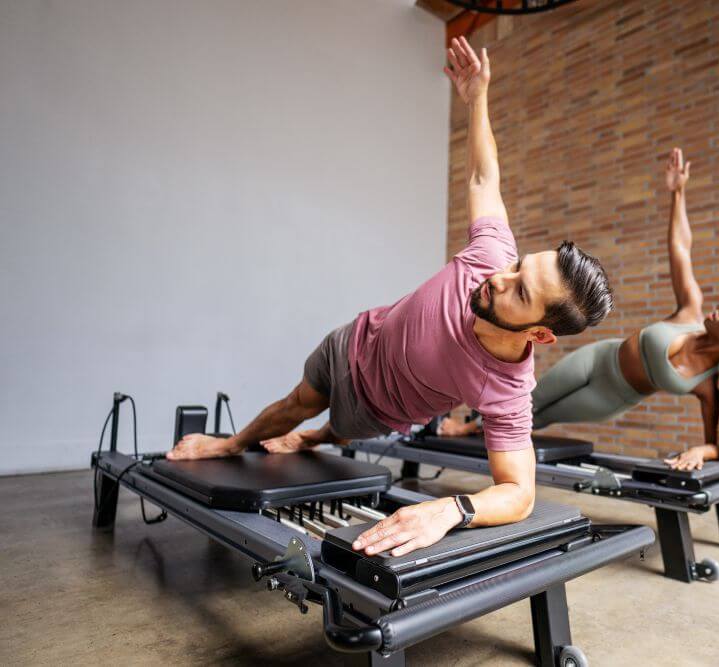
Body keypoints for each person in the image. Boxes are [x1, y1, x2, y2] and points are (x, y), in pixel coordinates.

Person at [166, 37, 613, 557]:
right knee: (295, 403)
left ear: (539, 332)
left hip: (372, 409)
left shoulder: (508, 388)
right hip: (352, 340)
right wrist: (477, 98)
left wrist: (452, 509)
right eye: (517, 265)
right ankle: (231, 443)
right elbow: (483, 175)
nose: (499, 278)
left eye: (520, 291)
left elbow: (520, 493)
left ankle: (314, 437)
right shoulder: (492, 254)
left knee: (331, 428)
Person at [439, 148, 719, 475]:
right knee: (533, 396)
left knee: (538, 418)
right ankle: (468, 427)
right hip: (600, 357)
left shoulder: (707, 385)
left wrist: (697, 452)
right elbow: (681, 248)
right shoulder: (690, 311)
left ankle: (476, 436)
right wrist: (678, 195)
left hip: (611, 395)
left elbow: (716, 443)